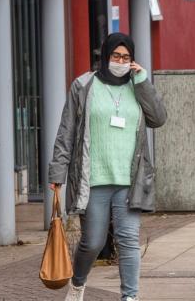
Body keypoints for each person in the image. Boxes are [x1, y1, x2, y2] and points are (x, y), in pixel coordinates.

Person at [49, 32, 167, 301]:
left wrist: (142, 80)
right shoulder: (83, 85)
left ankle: (129, 297)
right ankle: (78, 284)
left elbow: (158, 118)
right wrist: (58, 170)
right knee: (93, 242)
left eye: (126, 57)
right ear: (105, 56)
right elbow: (66, 131)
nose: (121, 61)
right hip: (93, 179)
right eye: (116, 56)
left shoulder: (136, 87)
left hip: (129, 180)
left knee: (127, 241)